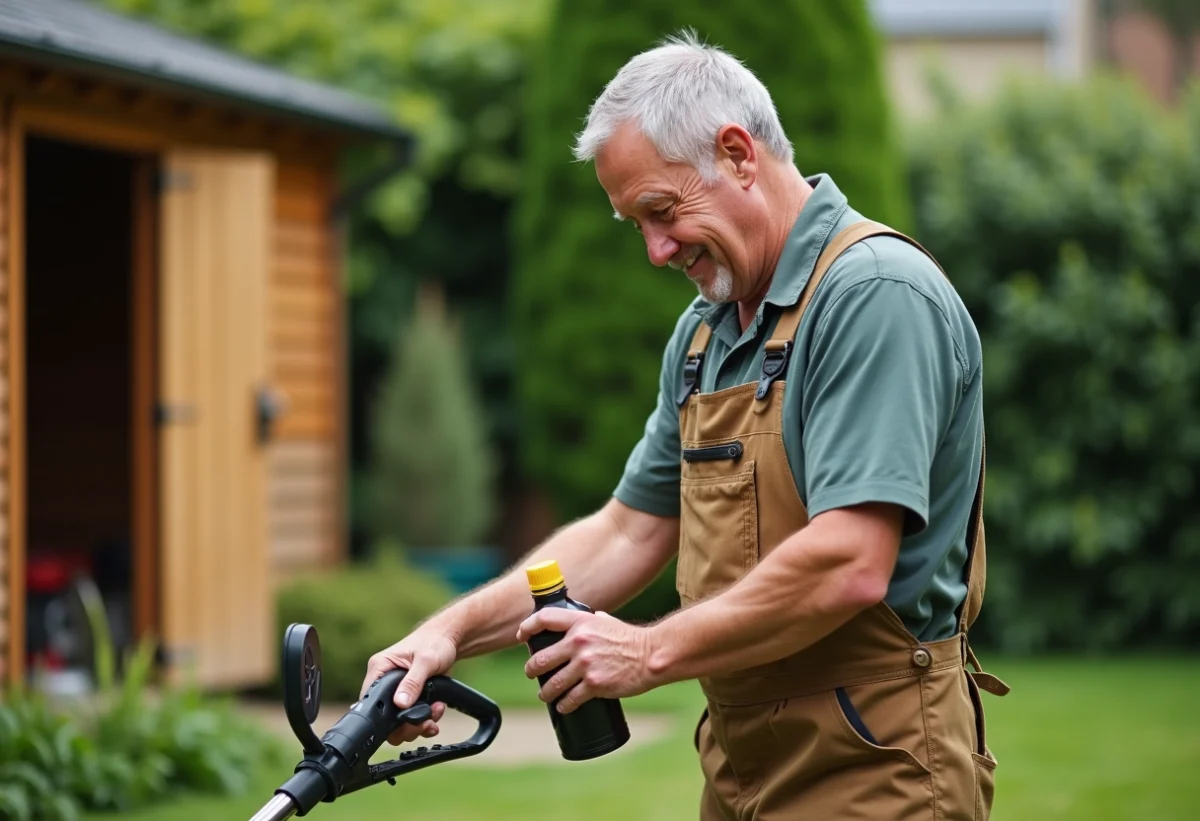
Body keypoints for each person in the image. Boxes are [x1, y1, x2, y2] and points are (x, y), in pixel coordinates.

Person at [364, 30, 1010, 820]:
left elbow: (849, 560)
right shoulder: (708, 335)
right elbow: (628, 532)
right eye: (633, 222)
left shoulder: (874, 295)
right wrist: (448, 633)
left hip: (879, 767)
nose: (654, 249)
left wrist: (644, 650)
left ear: (738, 154)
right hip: (741, 767)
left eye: (662, 211)